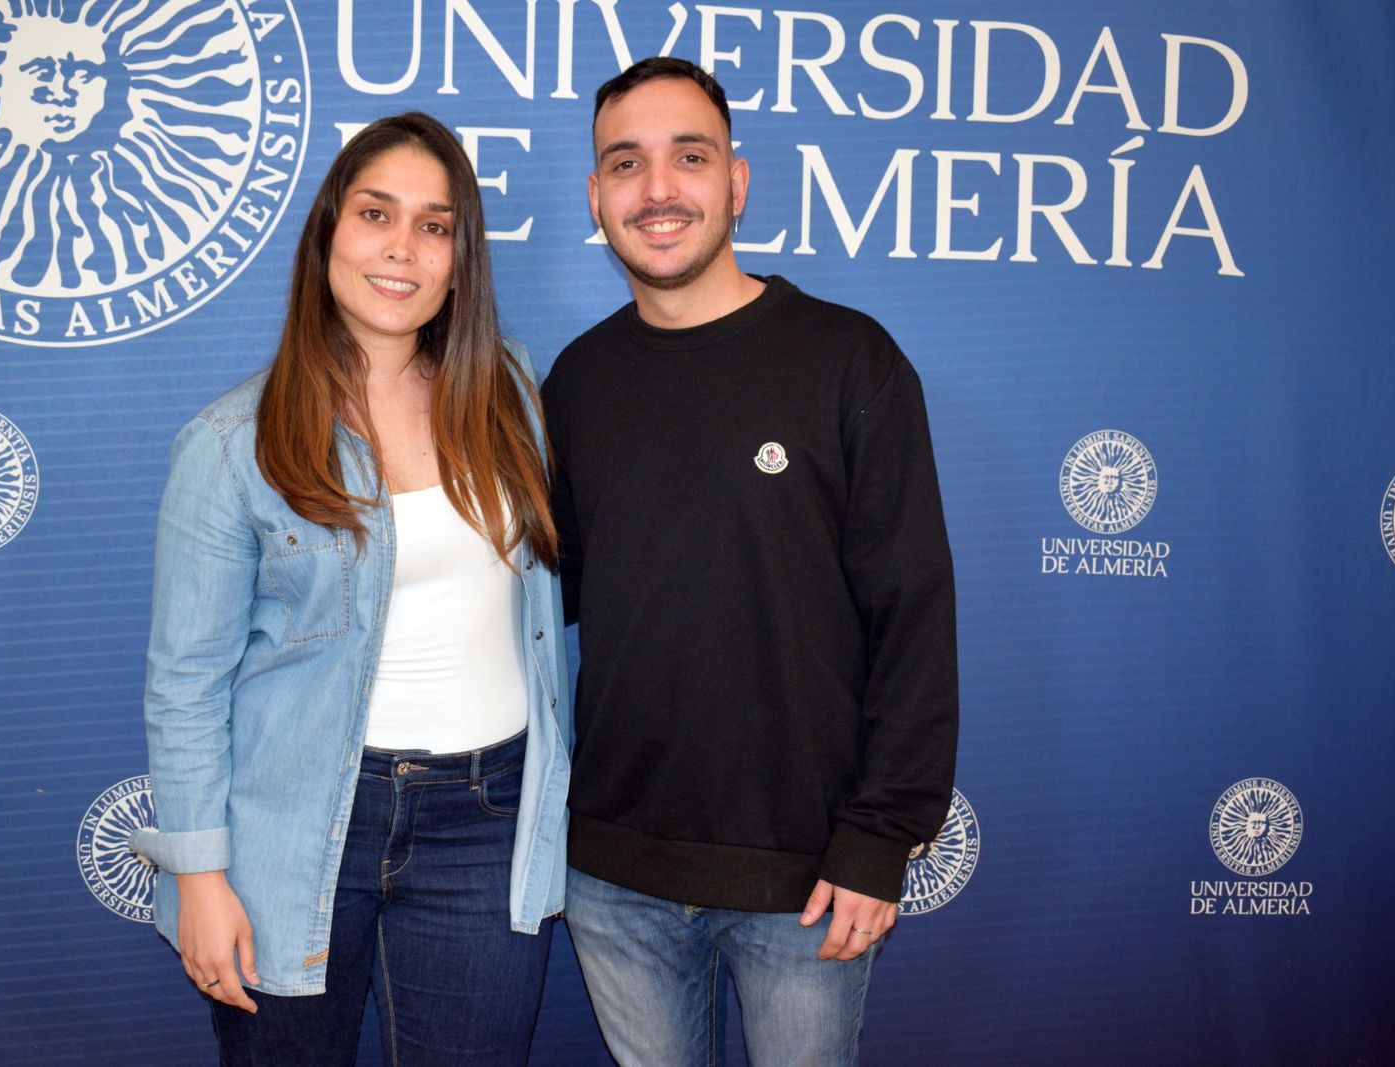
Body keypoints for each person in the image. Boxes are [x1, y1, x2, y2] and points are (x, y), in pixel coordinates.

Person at [540, 58, 958, 1066]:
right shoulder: (578, 381)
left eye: (689, 156)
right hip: (613, 876)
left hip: (807, 881)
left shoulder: (848, 360)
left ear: (736, 179)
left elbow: (913, 612)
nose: (658, 189)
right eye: (625, 164)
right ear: (596, 197)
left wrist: (878, 837)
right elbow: (537, 601)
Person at [132, 112, 570, 1067]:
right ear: (329, 230)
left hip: (488, 815)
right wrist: (200, 877)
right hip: (295, 819)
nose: (402, 248)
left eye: (435, 225)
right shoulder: (229, 442)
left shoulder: (512, 395)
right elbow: (186, 679)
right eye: (377, 214)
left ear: (462, 258)